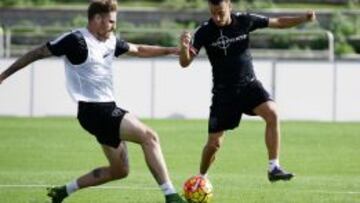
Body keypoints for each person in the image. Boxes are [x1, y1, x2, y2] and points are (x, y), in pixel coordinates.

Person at [0, 1, 186, 203]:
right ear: (97, 19)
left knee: (120, 171)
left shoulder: (110, 41)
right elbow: (36, 53)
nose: (114, 26)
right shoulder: (75, 39)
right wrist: (4, 75)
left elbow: (139, 49)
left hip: (106, 109)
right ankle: (171, 196)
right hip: (93, 110)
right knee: (150, 137)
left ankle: (63, 191)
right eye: (111, 21)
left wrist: (171, 50)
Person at [179, 0, 316, 182]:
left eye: (220, 12)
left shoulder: (245, 20)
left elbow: (278, 22)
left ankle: (273, 167)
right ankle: (201, 177)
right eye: (213, 13)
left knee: (272, 113)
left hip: (248, 85)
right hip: (223, 93)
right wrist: (183, 48)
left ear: (229, 5)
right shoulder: (204, 31)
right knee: (214, 144)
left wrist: (303, 19)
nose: (217, 17)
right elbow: (185, 62)